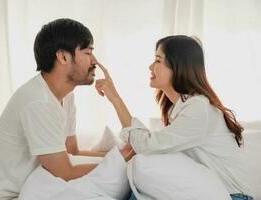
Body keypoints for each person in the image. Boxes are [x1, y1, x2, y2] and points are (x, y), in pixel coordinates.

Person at [0, 18, 133, 199]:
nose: (95, 61)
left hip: (34, 188)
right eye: (88, 52)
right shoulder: (38, 102)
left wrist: (119, 155)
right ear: (63, 57)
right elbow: (65, 171)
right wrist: (122, 164)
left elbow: (72, 151)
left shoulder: (66, 95)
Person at [95, 35, 253, 200]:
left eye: (158, 60)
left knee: (143, 166)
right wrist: (114, 98)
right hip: (206, 193)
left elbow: (146, 145)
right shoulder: (180, 109)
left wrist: (115, 98)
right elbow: (149, 146)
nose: (150, 66)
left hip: (234, 197)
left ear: (177, 66)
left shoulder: (198, 108)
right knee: (139, 184)